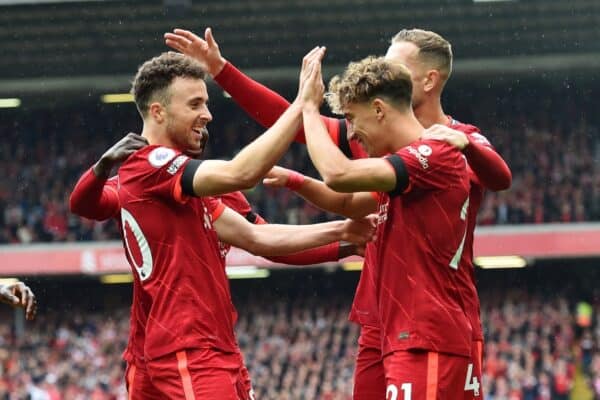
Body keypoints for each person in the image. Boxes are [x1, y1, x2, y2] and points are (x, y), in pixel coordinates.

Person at [165, 27, 512, 399]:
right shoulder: (374, 134)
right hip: (386, 314)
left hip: (432, 317)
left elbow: (500, 176)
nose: (383, 71)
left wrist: (468, 148)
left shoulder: (450, 142)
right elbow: (300, 129)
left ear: (428, 80)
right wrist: (222, 70)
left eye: (394, 66)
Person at [70, 50, 373, 399]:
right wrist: (302, 106)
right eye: (195, 104)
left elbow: (257, 237)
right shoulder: (152, 164)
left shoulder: (188, 187)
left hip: (184, 348)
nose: (208, 115)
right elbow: (240, 173)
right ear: (158, 111)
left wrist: (345, 234)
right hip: (189, 349)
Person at [300, 53, 472, 398]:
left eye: (351, 118)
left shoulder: (433, 155)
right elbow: (347, 202)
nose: (351, 133)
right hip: (408, 336)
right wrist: (292, 180)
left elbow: (339, 174)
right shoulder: (402, 172)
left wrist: (307, 108)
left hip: (428, 338)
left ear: (379, 109)